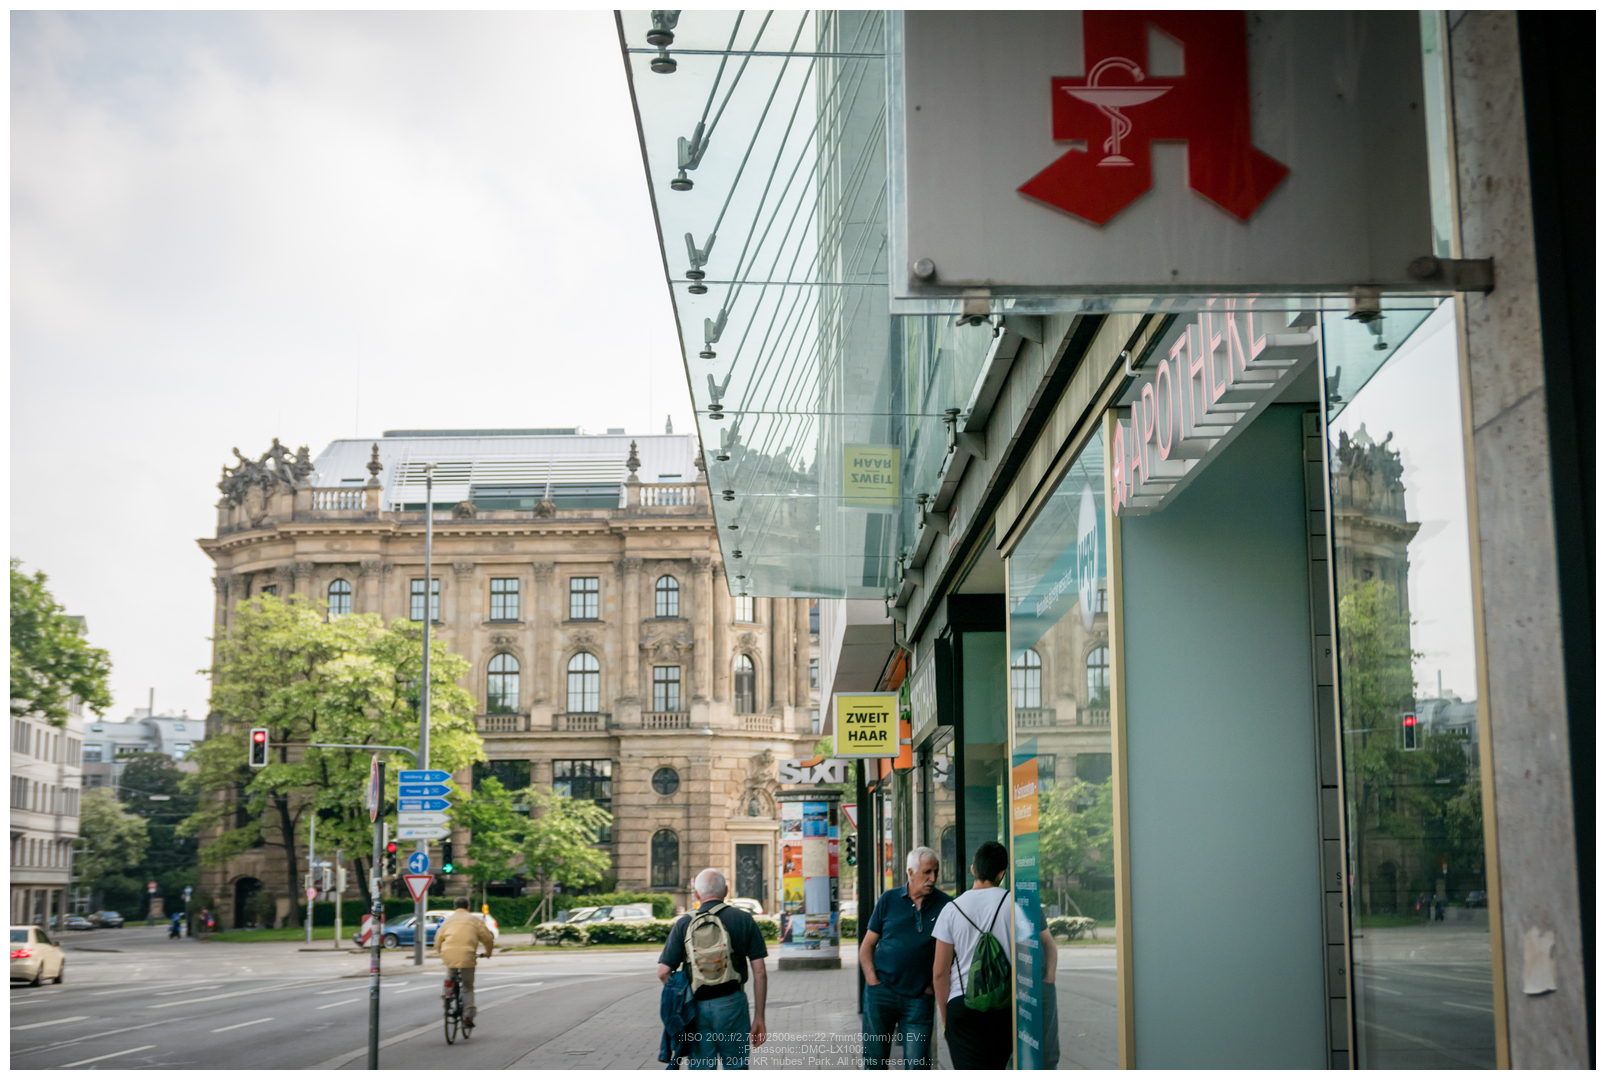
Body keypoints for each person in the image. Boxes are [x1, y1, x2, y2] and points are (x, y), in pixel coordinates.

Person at [931, 840, 1033, 1069]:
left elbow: (939, 973)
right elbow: (1026, 963)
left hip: (962, 1007)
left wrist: (946, 1019)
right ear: (1002, 873)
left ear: (973, 869)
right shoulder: (1015, 906)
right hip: (1002, 1008)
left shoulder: (951, 910)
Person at [657, 868, 769, 1069]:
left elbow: (663, 972)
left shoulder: (684, 923)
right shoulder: (743, 919)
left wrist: (683, 997)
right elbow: (760, 972)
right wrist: (759, 1016)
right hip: (732, 1004)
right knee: (736, 1067)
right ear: (726, 890)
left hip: (696, 1007)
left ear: (697, 894)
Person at [859, 846, 951, 1069]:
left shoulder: (945, 905)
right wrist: (872, 980)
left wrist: (934, 985)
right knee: (874, 1062)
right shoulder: (888, 900)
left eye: (936, 872)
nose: (933, 878)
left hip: (919, 998)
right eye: (927, 872)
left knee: (917, 1065)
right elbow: (867, 946)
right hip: (881, 995)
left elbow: (954, 952)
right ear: (911, 872)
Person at [435, 897, 495, 1027]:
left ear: (454, 907)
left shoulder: (447, 921)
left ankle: (447, 996)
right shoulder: (475, 920)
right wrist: (488, 953)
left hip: (449, 954)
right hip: (467, 955)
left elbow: (438, 940)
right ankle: (468, 1015)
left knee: (450, 975)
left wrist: (441, 953)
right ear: (468, 907)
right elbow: (488, 939)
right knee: (467, 987)